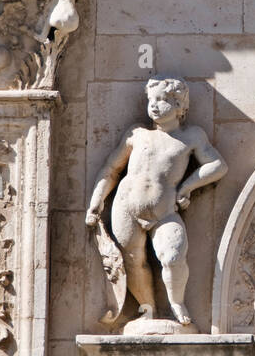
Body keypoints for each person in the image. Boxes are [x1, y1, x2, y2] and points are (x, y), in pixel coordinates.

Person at [86, 78, 226, 326]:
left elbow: (217, 165)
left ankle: (176, 302)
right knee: (132, 259)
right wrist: (96, 202)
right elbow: (111, 169)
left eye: (162, 100)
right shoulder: (138, 134)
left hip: (164, 210)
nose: (154, 106)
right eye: (151, 100)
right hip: (125, 206)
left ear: (179, 105)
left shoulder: (191, 136)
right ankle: (148, 308)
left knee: (172, 256)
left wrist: (188, 185)